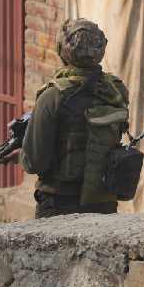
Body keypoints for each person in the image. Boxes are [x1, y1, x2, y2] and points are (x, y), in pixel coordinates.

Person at [19, 18, 131, 218]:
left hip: (60, 204)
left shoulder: (52, 97)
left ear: (62, 49)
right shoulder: (116, 90)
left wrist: (21, 154)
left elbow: (34, 162)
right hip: (103, 203)